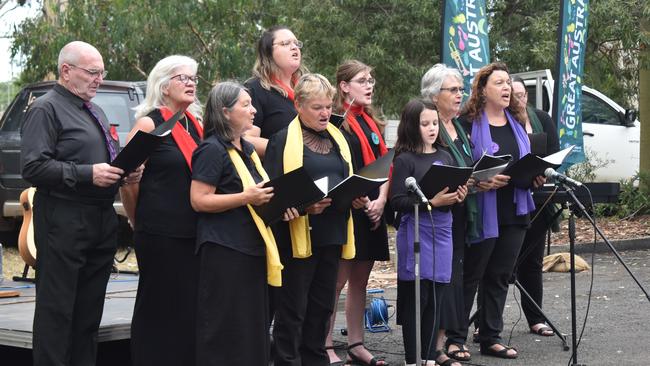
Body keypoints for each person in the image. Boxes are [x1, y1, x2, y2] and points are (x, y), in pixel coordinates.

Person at [21, 41, 143, 366]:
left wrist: (125, 171)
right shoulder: (45, 109)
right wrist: (87, 173)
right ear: (66, 71)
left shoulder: (95, 110)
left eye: (102, 73)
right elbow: (32, 167)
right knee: (57, 312)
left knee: (89, 315)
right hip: (63, 218)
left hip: (100, 220)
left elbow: (104, 158)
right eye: (92, 72)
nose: (98, 79)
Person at [190, 81, 291, 365]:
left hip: (253, 247)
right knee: (226, 328)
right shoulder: (211, 150)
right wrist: (245, 197)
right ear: (224, 112)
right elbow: (199, 200)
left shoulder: (246, 149)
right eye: (245, 105)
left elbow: (261, 196)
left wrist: (283, 205)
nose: (254, 111)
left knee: (251, 327)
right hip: (225, 249)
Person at [264, 73, 356, 366]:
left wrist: (356, 194)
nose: (325, 113)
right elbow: (272, 195)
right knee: (293, 310)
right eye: (317, 107)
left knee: (322, 308)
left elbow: (347, 177)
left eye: (328, 106)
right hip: (297, 237)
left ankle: (316, 359)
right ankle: (287, 361)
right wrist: (305, 208)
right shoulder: (282, 141)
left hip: (332, 233)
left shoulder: (338, 138)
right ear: (299, 105)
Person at [120, 55, 203, 366]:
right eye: (183, 78)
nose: (191, 82)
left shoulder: (197, 125)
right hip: (159, 232)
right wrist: (136, 220)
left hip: (194, 231)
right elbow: (128, 181)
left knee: (188, 308)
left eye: (194, 77)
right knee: (159, 307)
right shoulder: (149, 123)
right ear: (163, 84)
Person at [457, 62, 543, 359]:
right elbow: (461, 166)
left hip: (515, 208)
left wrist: (535, 175)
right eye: (499, 83)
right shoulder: (466, 123)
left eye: (508, 83)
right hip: (483, 210)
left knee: (500, 275)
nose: (506, 88)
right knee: (472, 274)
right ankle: (455, 338)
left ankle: (490, 336)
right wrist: (481, 181)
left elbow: (524, 160)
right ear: (482, 90)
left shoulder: (516, 122)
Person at [390, 99, 467, 366]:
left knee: (436, 297)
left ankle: (430, 359)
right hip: (416, 234)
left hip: (443, 233)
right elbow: (396, 201)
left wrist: (459, 195)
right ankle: (413, 360)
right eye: (425, 124)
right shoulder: (405, 160)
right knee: (416, 301)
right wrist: (429, 203)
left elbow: (449, 194)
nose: (432, 128)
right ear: (412, 126)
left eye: (435, 123)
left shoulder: (445, 156)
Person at [324, 60, 390, 366]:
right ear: (344, 87)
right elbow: (334, 169)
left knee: (361, 280)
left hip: (373, 208)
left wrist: (380, 201)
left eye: (371, 79)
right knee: (337, 280)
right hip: (350, 208)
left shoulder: (372, 121)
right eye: (362, 80)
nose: (370, 85)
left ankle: (356, 342)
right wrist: (358, 199)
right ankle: (324, 345)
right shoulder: (336, 122)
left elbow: (386, 165)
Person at [420, 63, 477, 363]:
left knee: (455, 277)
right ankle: (435, 346)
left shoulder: (460, 128)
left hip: (460, 211)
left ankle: (443, 341)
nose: (459, 95)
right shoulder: (429, 127)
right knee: (442, 278)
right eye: (453, 90)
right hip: (436, 214)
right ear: (434, 94)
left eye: (460, 89)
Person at [511, 75, 560, 337]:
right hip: (510, 197)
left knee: (532, 260)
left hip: (538, 198)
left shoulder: (541, 118)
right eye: (514, 95)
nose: (519, 100)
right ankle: (484, 322)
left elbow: (554, 153)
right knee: (497, 264)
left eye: (523, 95)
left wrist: (545, 170)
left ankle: (535, 317)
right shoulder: (501, 121)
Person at [245, 25, 307, 157]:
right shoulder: (256, 89)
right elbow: (247, 140)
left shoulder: (307, 89)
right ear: (268, 53)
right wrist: (289, 150)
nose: (294, 47)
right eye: (285, 43)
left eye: (296, 43)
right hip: (281, 173)